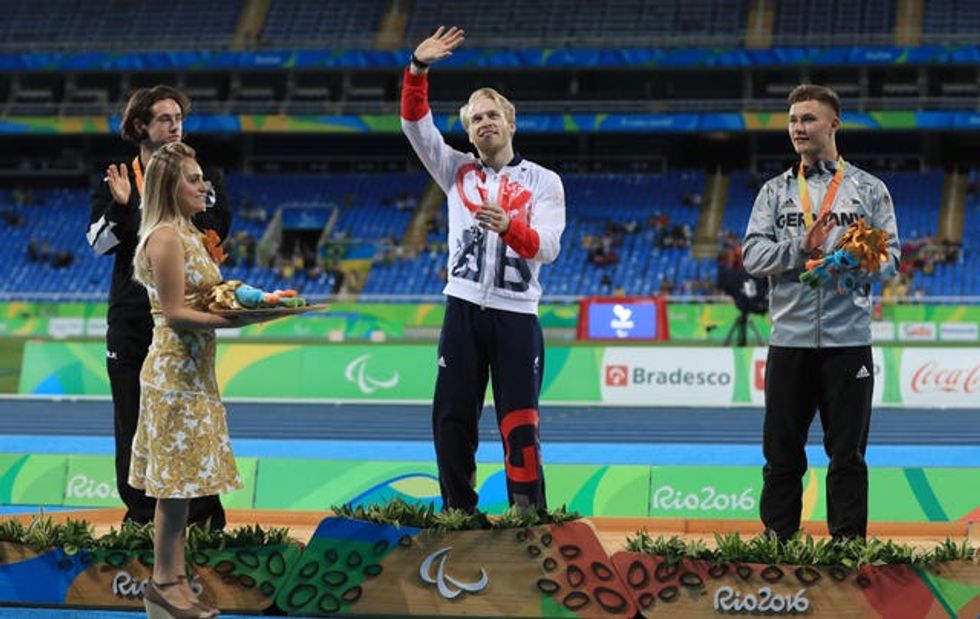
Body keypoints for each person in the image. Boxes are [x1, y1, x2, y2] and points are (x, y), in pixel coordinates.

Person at [401, 26, 566, 513]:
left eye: (493, 115)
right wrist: (417, 69)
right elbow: (415, 125)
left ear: (511, 124)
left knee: (520, 424)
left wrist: (511, 227)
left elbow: (549, 248)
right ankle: (459, 512)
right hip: (463, 308)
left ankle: (527, 517)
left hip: (517, 315)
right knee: (452, 419)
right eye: (475, 118)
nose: (485, 122)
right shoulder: (455, 170)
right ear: (469, 132)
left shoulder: (544, 181)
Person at [742, 84, 900, 541]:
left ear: (834, 124)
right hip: (788, 342)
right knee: (781, 457)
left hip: (848, 343)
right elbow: (752, 256)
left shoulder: (870, 190)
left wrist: (855, 262)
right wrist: (799, 247)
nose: (798, 128)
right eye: (793, 120)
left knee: (847, 456)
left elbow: (892, 259)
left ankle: (847, 550)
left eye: (808, 118)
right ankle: (777, 546)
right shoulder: (774, 192)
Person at [130, 142, 269, 618]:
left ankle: (173, 582)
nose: (203, 186)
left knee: (184, 489)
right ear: (171, 186)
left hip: (194, 374)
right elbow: (174, 313)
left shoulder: (189, 233)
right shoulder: (165, 237)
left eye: (201, 178)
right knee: (174, 490)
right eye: (192, 179)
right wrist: (237, 321)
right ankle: (164, 584)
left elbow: (204, 296)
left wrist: (247, 302)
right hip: (173, 376)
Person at [87, 85, 230, 529]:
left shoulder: (201, 175)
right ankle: (140, 519)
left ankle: (203, 522)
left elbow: (213, 233)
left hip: (183, 322)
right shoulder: (116, 180)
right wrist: (120, 207)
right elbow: (98, 245)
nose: (175, 126)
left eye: (178, 118)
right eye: (165, 119)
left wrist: (149, 206)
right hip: (132, 320)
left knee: (192, 418)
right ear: (140, 127)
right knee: (131, 419)